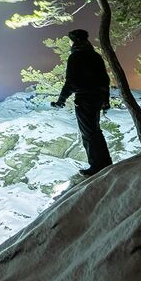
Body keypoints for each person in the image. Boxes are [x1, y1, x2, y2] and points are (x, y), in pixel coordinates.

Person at [51, 29, 113, 176]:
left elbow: (71, 82)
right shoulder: (95, 56)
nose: (69, 43)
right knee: (95, 131)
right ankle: (105, 162)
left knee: (88, 133)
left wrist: (61, 100)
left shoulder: (75, 57)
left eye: (70, 40)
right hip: (97, 98)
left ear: (75, 41)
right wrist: (105, 100)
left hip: (84, 99)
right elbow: (105, 79)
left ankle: (96, 167)